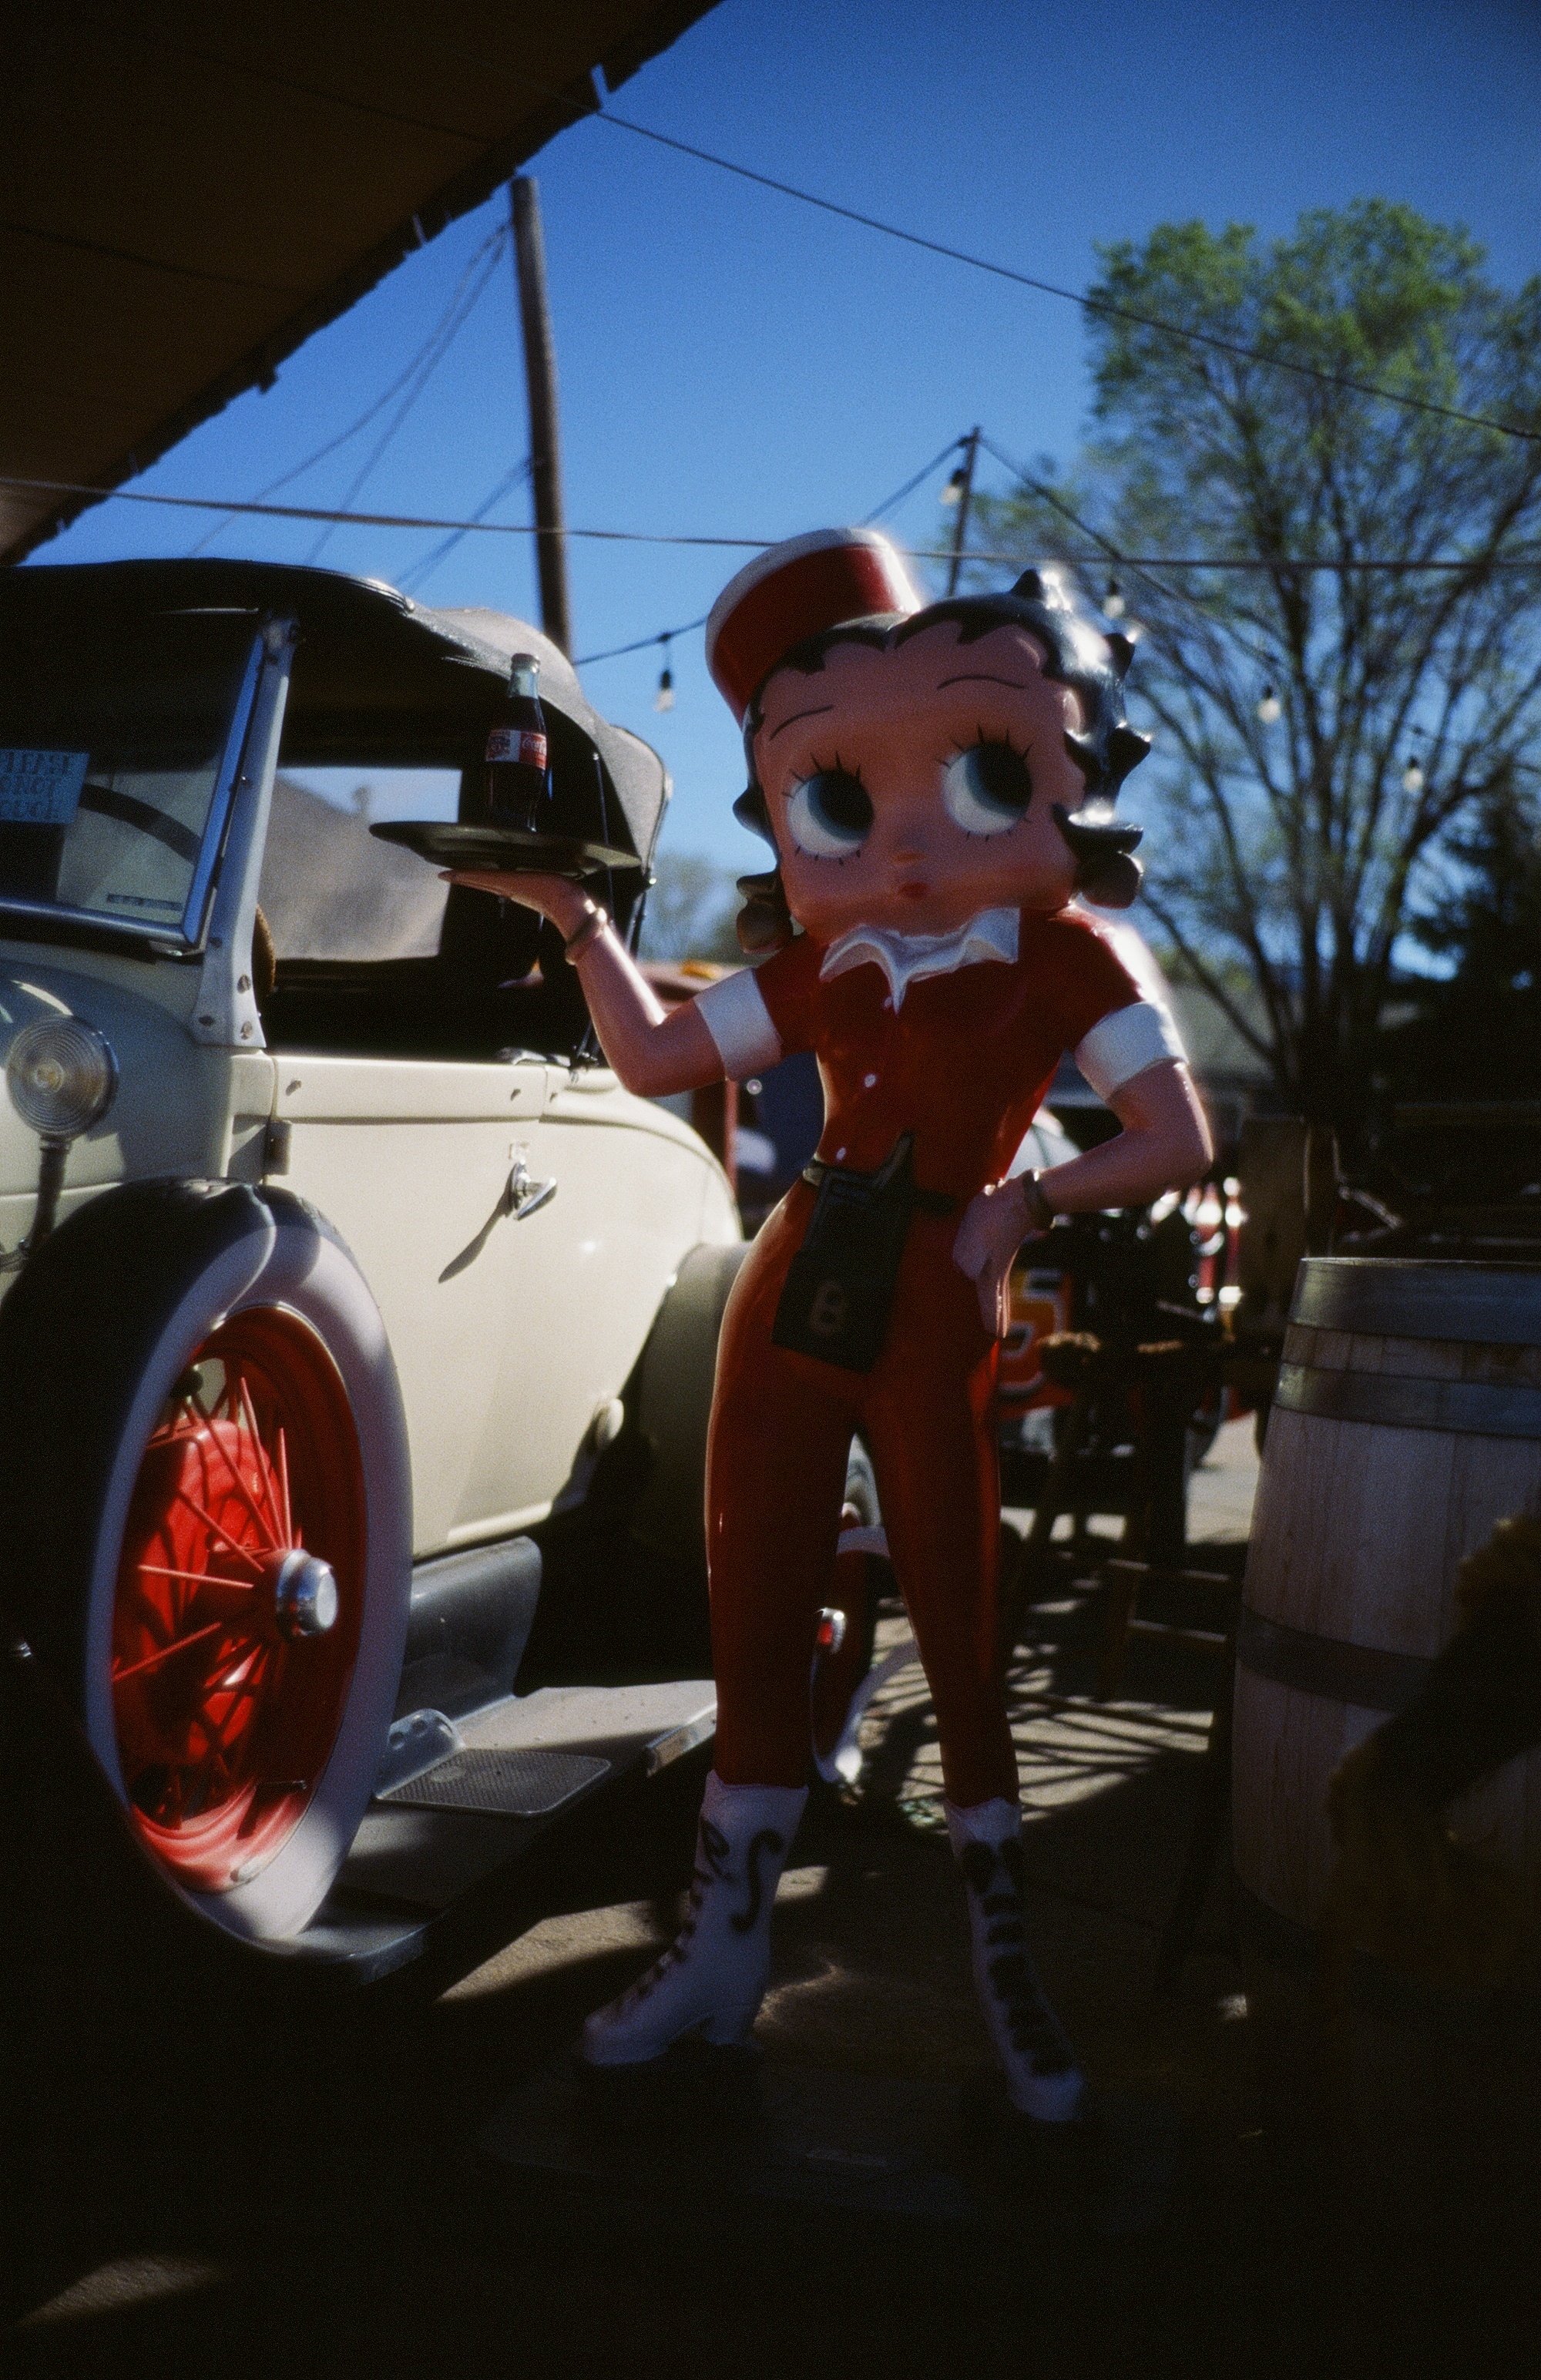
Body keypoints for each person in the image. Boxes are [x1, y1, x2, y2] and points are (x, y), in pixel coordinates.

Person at [447, 529, 1211, 2127]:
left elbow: (1177, 1136)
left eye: (986, 776)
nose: (914, 847)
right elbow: (661, 1060)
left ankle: (1003, 1962)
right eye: (842, 801)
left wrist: (1019, 1208)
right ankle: (719, 1954)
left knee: (957, 1605)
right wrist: (579, 928)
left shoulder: (1069, 958)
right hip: (795, 1287)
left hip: (935, 1297)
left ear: (1062, 765)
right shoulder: (821, 965)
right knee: (758, 1603)